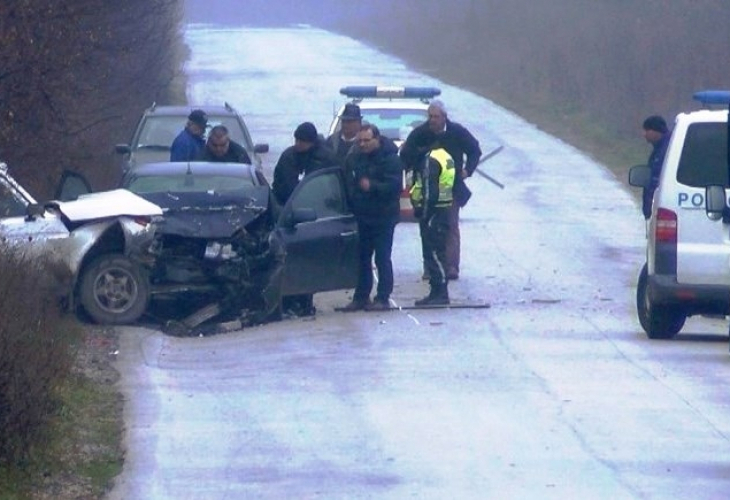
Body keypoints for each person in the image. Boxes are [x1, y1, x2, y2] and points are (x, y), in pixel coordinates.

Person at [400, 100, 481, 281]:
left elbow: (475, 150)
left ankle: (451, 267)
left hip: (450, 187)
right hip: (425, 188)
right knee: (427, 227)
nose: (433, 120)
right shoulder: (420, 134)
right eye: (430, 116)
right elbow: (405, 157)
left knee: (450, 225)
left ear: (444, 117)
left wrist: (468, 170)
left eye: (436, 117)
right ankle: (430, 268)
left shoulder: (457, 132)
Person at [340, 123, 403, 311]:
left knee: (382, 258)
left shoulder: (391, 159)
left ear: (377, 139)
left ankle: (383, 297)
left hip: (384, 217)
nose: (362, 144)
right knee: (362, 258)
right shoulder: (356, 158)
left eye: (367, 141)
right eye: (360, 141)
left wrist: (372, 186)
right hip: (363, 217)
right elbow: (350, 182)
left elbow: (394, 187)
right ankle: (361, 296)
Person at [410, 147, 456, 305]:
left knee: (434, 253)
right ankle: (436, 292)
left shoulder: (430, 161)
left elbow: (430, 191)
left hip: (433, 213)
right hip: (443, 209)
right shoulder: (443, 154)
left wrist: (424, 213)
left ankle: (441, 292)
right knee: (437, 252)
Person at [272, 121, 338, 206]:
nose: (298, 144)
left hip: (319, 202)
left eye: (302, 141)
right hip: (286, 202)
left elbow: (333, 183)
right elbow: (283, 185)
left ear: (312, 142)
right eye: (296, 140)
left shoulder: (326, 158)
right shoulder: (288, 157)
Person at [641, 115, 671, 219]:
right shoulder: (660, 149)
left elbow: (656, 181)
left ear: (656, 131)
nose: (644, 134)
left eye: (646, 130)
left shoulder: (666, 151)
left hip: (661, 207)